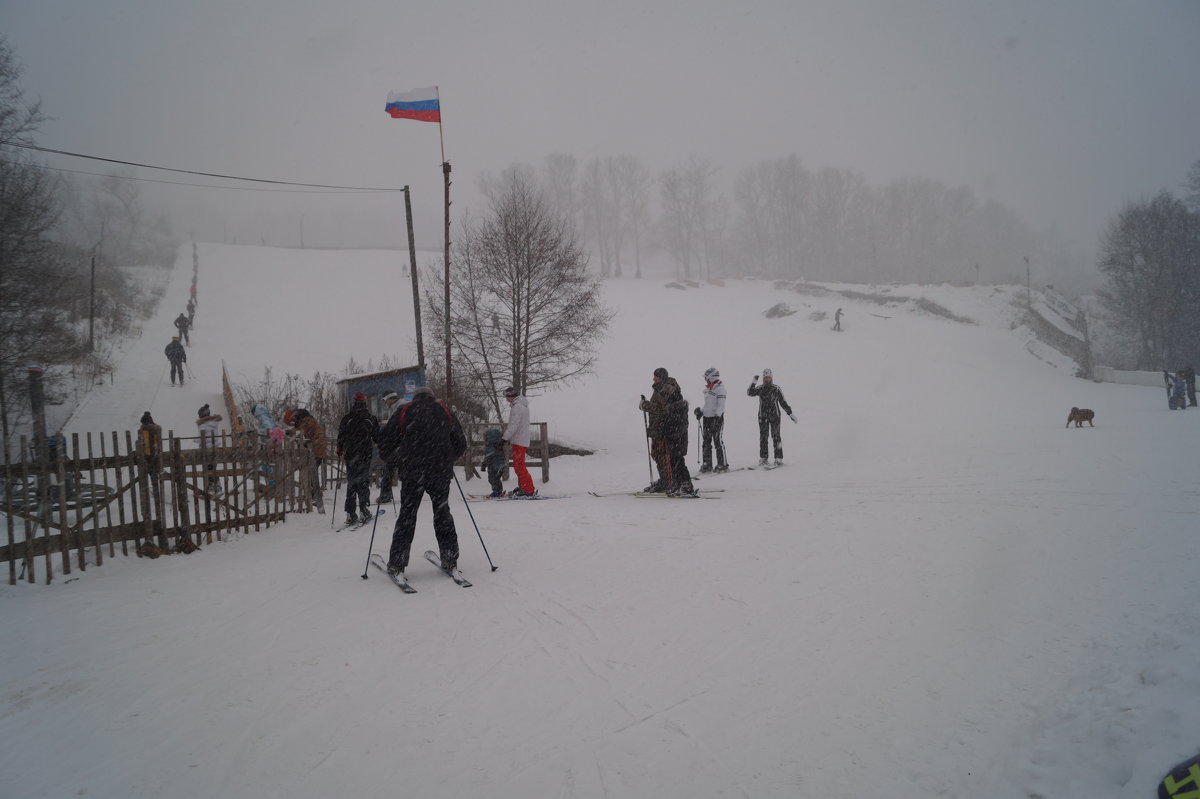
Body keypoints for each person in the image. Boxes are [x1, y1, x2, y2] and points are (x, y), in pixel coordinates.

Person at [376, 387, 467, 578]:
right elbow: (460, 443)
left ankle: (398, 563)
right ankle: (450, 557)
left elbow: (385, 442)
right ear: (432, 397)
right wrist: (448, 459)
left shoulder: (405, 411)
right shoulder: (444, 411)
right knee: (442, 512)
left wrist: (395, 461)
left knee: (407, 515)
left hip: (412, 472)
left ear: (416, 397)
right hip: (439, 472)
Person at [643, 367, 695, 496]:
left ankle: (684, 484)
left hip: (672, 429)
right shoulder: (660, 388)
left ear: (661, 377)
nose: (653, 379)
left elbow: (661, 408)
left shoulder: (667, 388)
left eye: (655, 376)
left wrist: (645, 405)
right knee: (661, 455)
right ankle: (668, 481)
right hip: (665, 428)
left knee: (674, 457)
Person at [336, 392, 379, 526]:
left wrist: (340, 448)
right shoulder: (370, 418)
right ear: (365, 403)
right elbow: (377, 437)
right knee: (363, 481)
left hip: (350, 455)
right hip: (365, 455)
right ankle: (363, 509)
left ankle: (350, 512)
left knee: (352, 482)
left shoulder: (347, 418)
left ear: (354, 403)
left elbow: (341, 435)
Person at [747, 368, 796, 466]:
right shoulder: (760, 388)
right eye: (765, 378)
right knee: (763, 437)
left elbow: (783, 402)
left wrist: (790, 413)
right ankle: (764, 458)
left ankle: (778, 458)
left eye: (769, 377)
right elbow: (750, 393)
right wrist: (753, 382)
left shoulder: (776, 388)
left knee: (776, 436)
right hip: (763, 416)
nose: (767, 379)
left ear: (771, 378)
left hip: (775, 416)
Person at [284, 408, 326, 512]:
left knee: (312, 473)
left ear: (295, 417)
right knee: (312, 472)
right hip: (315, 448)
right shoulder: (304, 419)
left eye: (292, 421)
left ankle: (315, 496)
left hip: (316, 448)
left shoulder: (306, 420)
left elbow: (300, 432)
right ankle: (314, 494)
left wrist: (289, 432)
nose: (293, 424)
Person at [501, 386, 537, 497]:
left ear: (512, 396)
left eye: (507, 396)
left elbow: (513, 425)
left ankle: (529, 489)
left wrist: (504, 438)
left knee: (519, 466)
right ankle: (523, 487)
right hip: (520, 439)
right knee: (518, 465)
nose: (506, 399)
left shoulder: (517, 407)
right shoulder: (521, 405)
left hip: (519, 441)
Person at [694, 367, 728, 473]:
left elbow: (721, 406)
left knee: (718, 441)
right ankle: (707, 464)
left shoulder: (720, 388)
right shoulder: (709, 388)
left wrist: (717, 417)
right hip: (707, 418)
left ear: (711, 377)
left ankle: (722, 464)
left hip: (716, 418)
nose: (705, 379)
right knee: (706, 442)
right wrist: (701, 412)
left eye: (706, 377)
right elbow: (708, 406)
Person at [375, 391, 402, 503]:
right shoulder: (395, 408)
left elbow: (394, 428)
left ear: (391, 398)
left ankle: (386, 495)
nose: (385, 403)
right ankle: (387, 494)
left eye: (385, 400)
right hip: (400, 445)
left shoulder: (400, 408)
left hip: (400, 445)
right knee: (391, 469)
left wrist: (385, 441)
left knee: (389, 468)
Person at [196, 404, 223, 491]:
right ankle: (217, 484)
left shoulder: (203, 425)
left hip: (207, 450)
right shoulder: (214, 423)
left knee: (208, 468)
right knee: (213, 467)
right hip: (215, 449)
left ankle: (211, 485)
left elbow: (200, 437)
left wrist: (196, 441)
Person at [480, 427, 506, 498]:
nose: (484, 440)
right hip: (499, 466)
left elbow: (488, 456)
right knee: (496, 479)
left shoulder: (491, 447)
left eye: (485, 438)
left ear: (490, 438)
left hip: (494, 466)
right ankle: (498, 491)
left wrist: (483, 465)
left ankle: (497, 492)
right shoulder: (497, 446)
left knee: (492, 479)